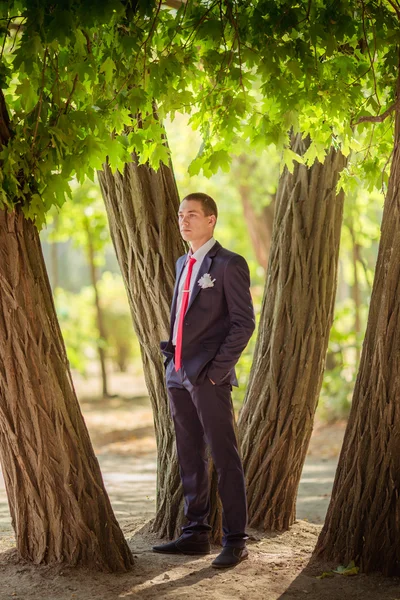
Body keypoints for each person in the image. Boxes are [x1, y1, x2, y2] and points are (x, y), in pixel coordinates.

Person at [153, 192, 255, 568]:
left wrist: (216, 371)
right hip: (177, 373)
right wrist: (172, 366)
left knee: (225, 457)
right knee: (189, 455)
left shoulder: (229, 264)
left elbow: (244, 323)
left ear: (211, 220)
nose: (184, 220)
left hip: (208, 377)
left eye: (192, 214)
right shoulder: (183, 261)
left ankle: (235, 540)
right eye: (181, 214)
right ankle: (195, 534)